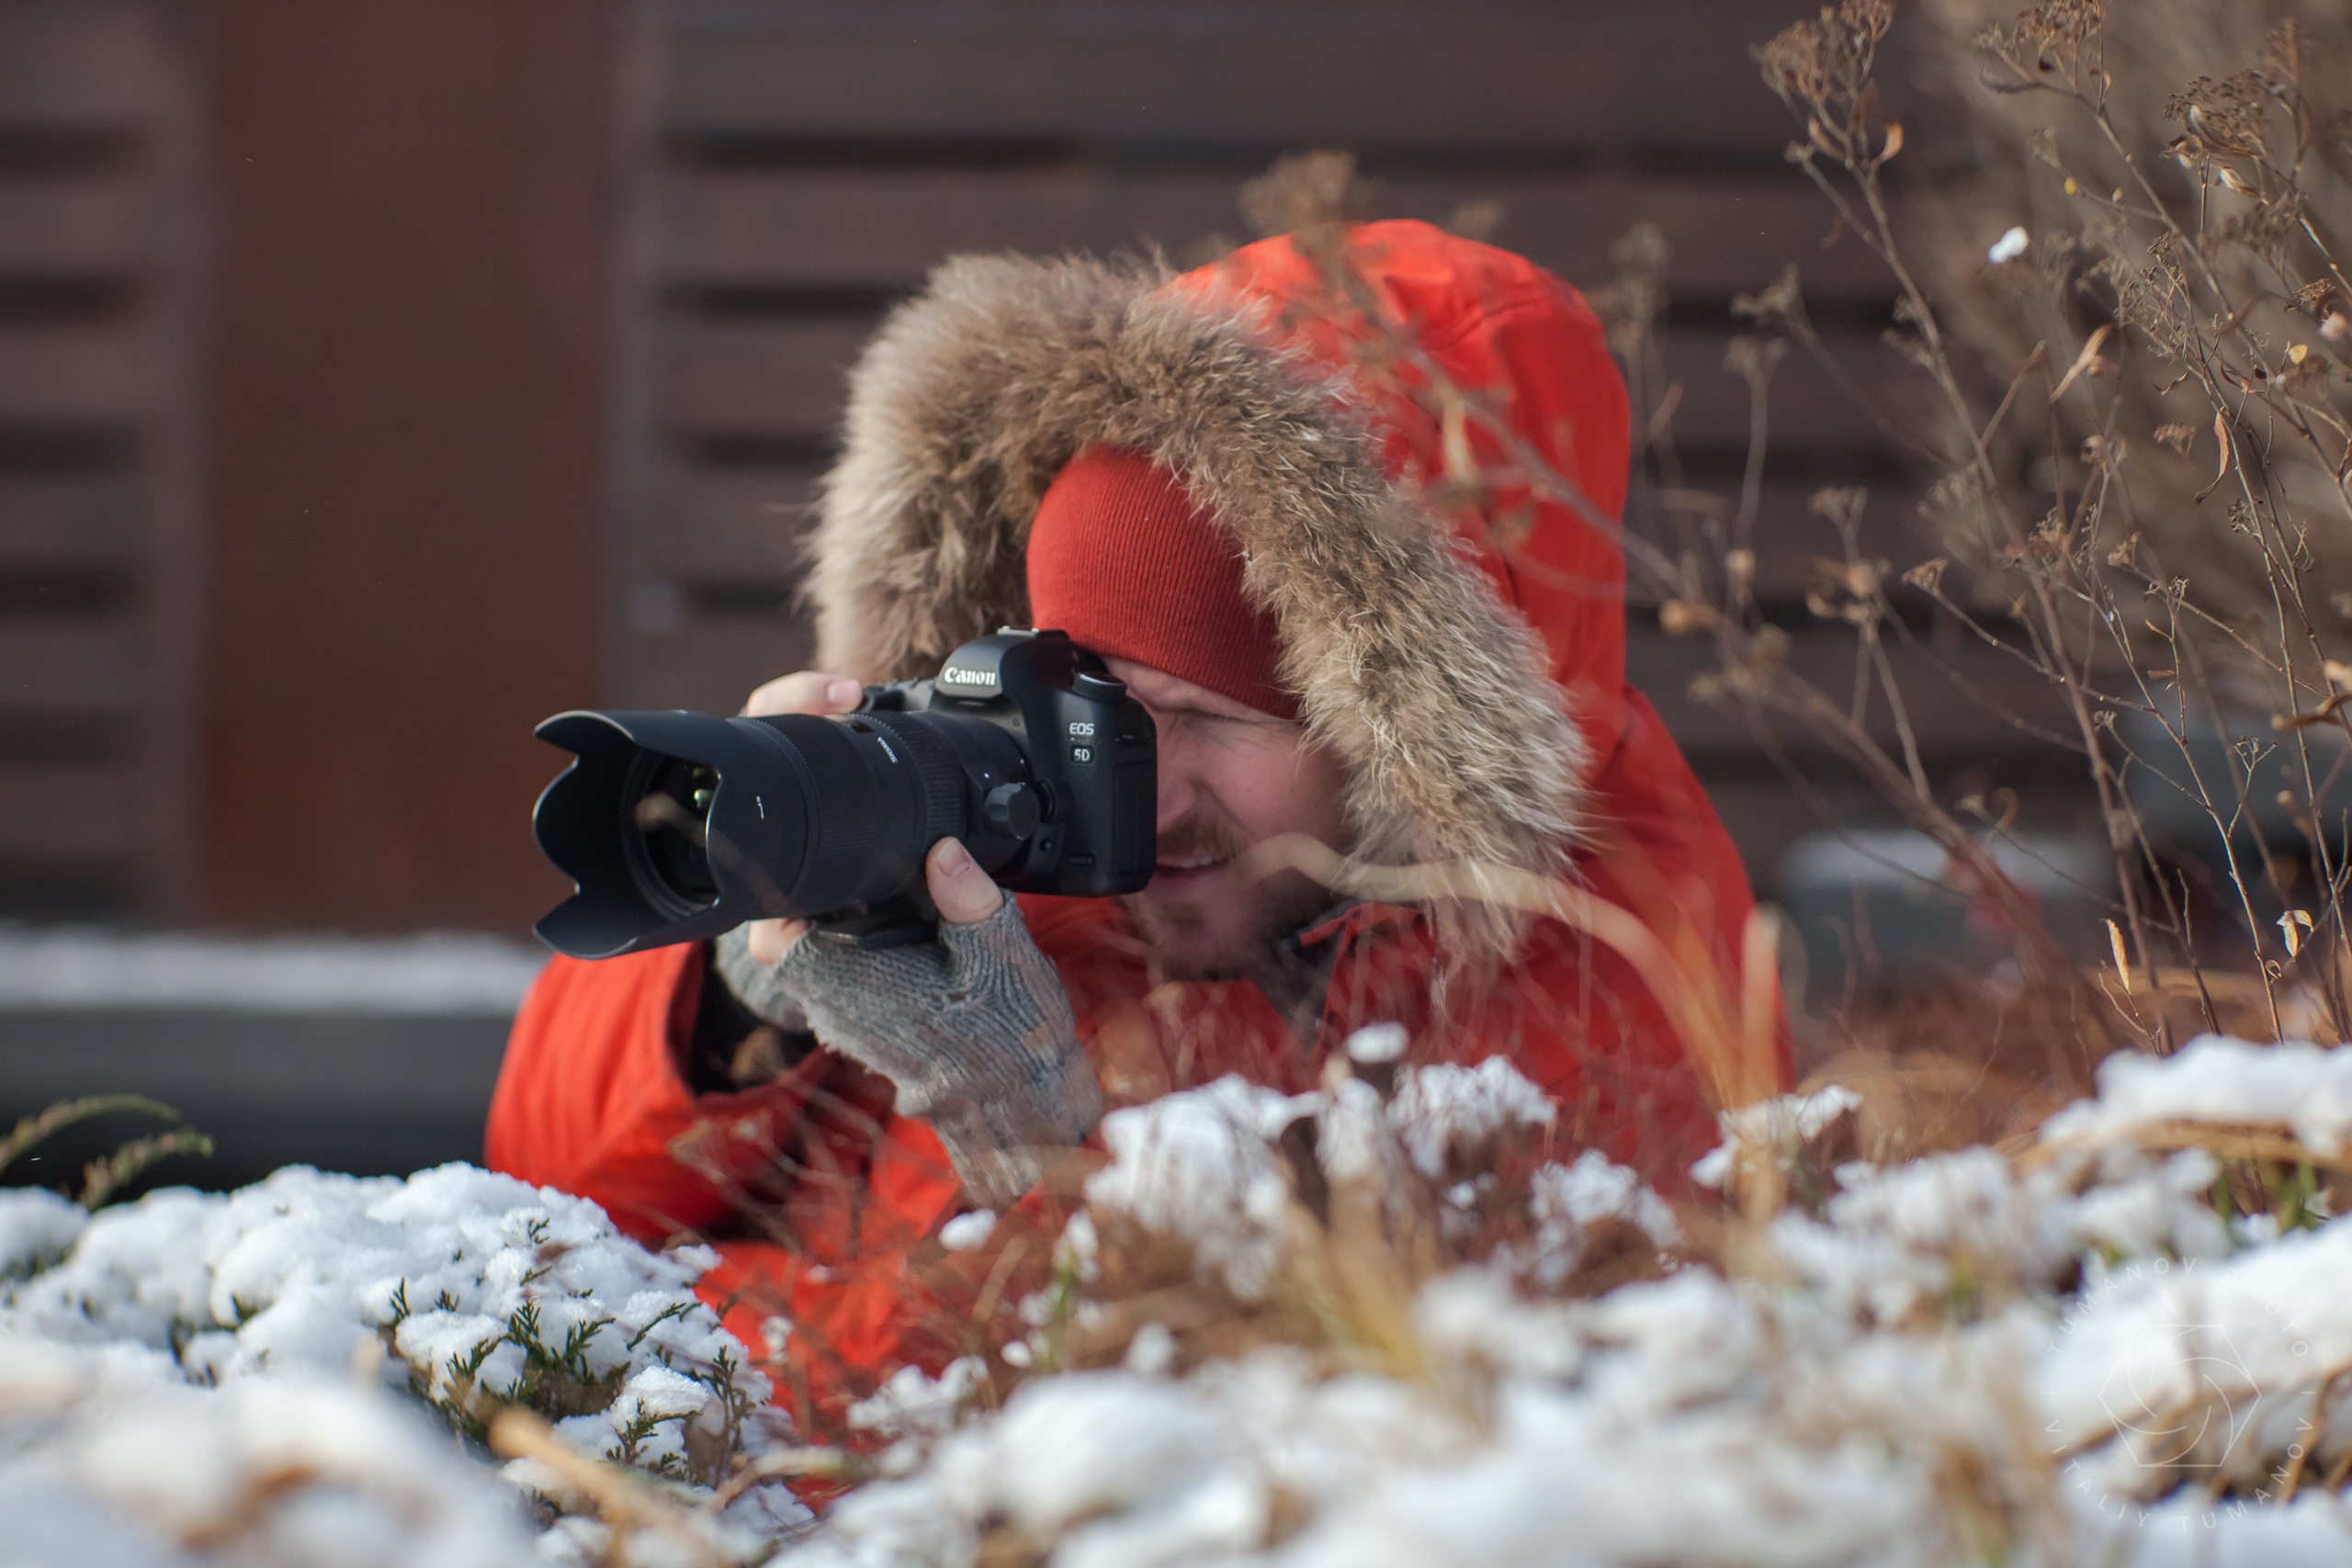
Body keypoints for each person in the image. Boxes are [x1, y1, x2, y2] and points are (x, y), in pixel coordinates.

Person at [488, 220, 1783, 1440]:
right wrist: (735, 986)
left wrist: (1044, 1163)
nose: (1143, 801)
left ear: (1394, 730)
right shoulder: (1024, 839)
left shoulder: (1624, 980)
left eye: (1211, 719)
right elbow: (536, 1204)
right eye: (1094, 709)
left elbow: (1239, 1466)